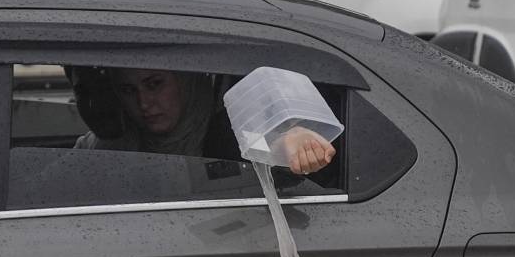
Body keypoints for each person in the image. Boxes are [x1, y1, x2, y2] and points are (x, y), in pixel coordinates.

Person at [69, 66, 337, 176]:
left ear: (186, 80)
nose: (143, 102)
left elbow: (266, 146)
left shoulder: (228, 133)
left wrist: (292, 140)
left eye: (154, 84)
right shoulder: (109, 146)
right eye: (128, 91)